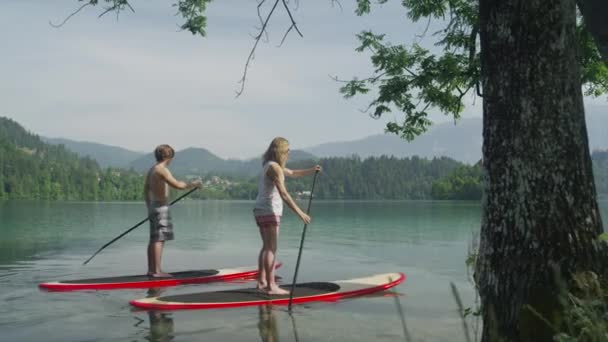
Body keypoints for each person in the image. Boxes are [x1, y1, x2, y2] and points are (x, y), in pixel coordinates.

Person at [253, 137, 321, 294]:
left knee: (266, 247)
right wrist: (300, 213)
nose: (289, 153)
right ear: (281, 151)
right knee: (272, 249)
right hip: (270, 210)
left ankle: (262, 281)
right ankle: (271, 286)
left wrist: (311, 170)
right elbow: (283, 193)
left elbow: (293, 173)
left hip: (260, 210)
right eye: (288, 150)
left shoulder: (269, 165)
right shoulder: (274, 169)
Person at [144, 144, 202, 278]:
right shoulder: (162, 170)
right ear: (168, 157)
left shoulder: (152, 169)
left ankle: (151, 270)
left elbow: (146, 189)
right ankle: (157, 272)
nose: (172, 161)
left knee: (153, 239)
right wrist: (194, 184)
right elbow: (178, 185)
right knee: (159, 239)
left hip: (153, 206)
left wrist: (149, 206)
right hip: (160, 208)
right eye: (172, 158)